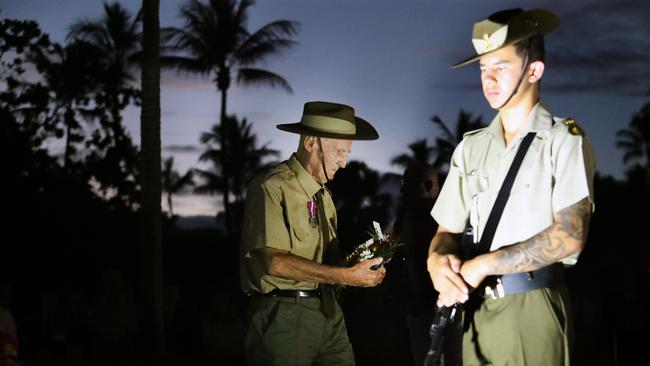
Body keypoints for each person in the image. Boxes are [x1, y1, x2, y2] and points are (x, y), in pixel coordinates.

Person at [427, 8, 596, 366]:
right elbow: (446, 231)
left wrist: (484, 265)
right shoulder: (470, 147)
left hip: (532, 307)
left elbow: (570, 235)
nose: (488, 80)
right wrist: (436, 260)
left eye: (500, 67)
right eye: (483, 69)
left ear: (533, 70)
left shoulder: (563, 140)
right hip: (475, 311)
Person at [240, 101, 387, 366]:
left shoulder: (325, 198)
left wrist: (362, 264)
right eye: (340, 151)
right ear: (310, 143)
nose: (344, 163)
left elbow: (326, 266)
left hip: (329, 313)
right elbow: (273, 262)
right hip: (283, 316)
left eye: (348, 153)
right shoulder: (273, 186)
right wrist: (346, 276)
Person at [393, 163, 463, 366]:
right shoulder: (405, 219)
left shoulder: (448, 220)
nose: (402, 191)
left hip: (449, 306)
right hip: (419, 308)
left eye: (407, 185)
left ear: (428, 185)